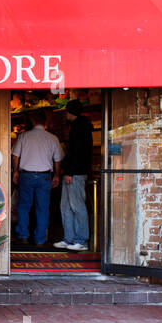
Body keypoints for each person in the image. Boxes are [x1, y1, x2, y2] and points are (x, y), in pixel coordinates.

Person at [11, 110, 62, 247]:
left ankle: (23, 236)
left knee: (23, 207)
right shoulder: (52, 138)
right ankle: (40, 239)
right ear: (45, 122)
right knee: (43, 208)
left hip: (26, 175)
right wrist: (56, 175)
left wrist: (15, 171)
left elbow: (15, 156)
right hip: (44, 176)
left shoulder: (23, 137)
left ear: (32, 121)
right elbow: (57, 160)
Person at [56, 99, 93, 251]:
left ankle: (81, 240)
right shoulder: (79, 126)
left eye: (67, 111)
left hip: (75, 173)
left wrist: (70, 171)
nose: (65, 114)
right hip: (73, 172)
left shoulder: (79, 128)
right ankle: (69, 238)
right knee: (65, 206)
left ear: (71, 112)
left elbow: (77, 152)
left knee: (77, 206)